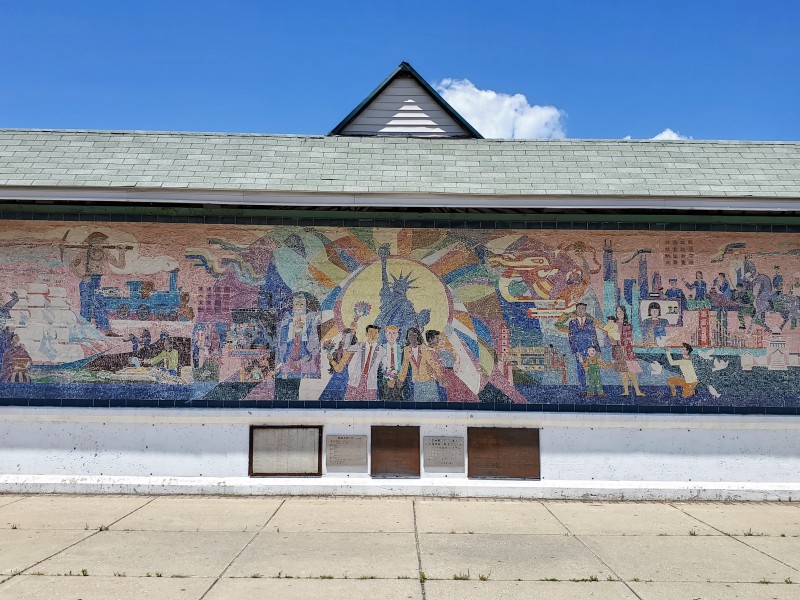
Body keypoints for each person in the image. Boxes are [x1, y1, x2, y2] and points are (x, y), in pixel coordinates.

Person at [275, 292, 321, 379]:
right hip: (289, 351)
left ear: (305, 305)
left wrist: (307, 355)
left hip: (305, 352)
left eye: (302, 304)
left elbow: (314, 340)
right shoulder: (287, 319)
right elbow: (282, 339)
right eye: (296, 304)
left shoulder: (310, 320)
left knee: (307, 367)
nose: (299, 306)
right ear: (293, 305)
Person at [343, 324, 385, 401]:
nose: (373, 335)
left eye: (375, 333)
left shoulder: (382, 350)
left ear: (378, 335)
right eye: (370, 332)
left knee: (369, 405)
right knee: (350, 402)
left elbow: (385, 366)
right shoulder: (360, 345)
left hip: (370, 382)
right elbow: (347, 348)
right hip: (357, 379)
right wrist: (351, 333)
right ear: (366, 334)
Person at [399, 327, 441, 402]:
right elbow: (404, 366)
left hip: (429, 380)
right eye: (410, 335)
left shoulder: (424, 348)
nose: (412, 338)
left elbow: (432, 363)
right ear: (407, 337)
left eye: (414, 335)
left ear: (418, 336)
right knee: (419, 403)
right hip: (417, 381)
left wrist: (440, 376)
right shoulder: (406, 350)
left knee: (433, 403)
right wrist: (400, 379)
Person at [567, 302, 600, 389]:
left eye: (583, 309)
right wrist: (575, 351)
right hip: (578, 349)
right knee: (580, 369)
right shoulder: (572, 322)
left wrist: (597, 349)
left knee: (591, 369)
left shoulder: (590, 322)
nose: (581, 311)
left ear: (585, 310)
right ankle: (582, 388)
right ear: (576, 310)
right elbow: (571, 337)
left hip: (590, 349)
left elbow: (594, 335)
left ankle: (592, 388)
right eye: (579, 309)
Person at [379, 325, 406, 401]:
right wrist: (387, 377)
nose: (391, 336)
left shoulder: (401, 349)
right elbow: (380, 367)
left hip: (399, 380)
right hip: (384, 381)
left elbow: (404, 365)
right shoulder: (381, 348)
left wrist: (399, 378)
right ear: (385, 334)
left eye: (394, 333)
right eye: (389, 333)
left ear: (397, 335)